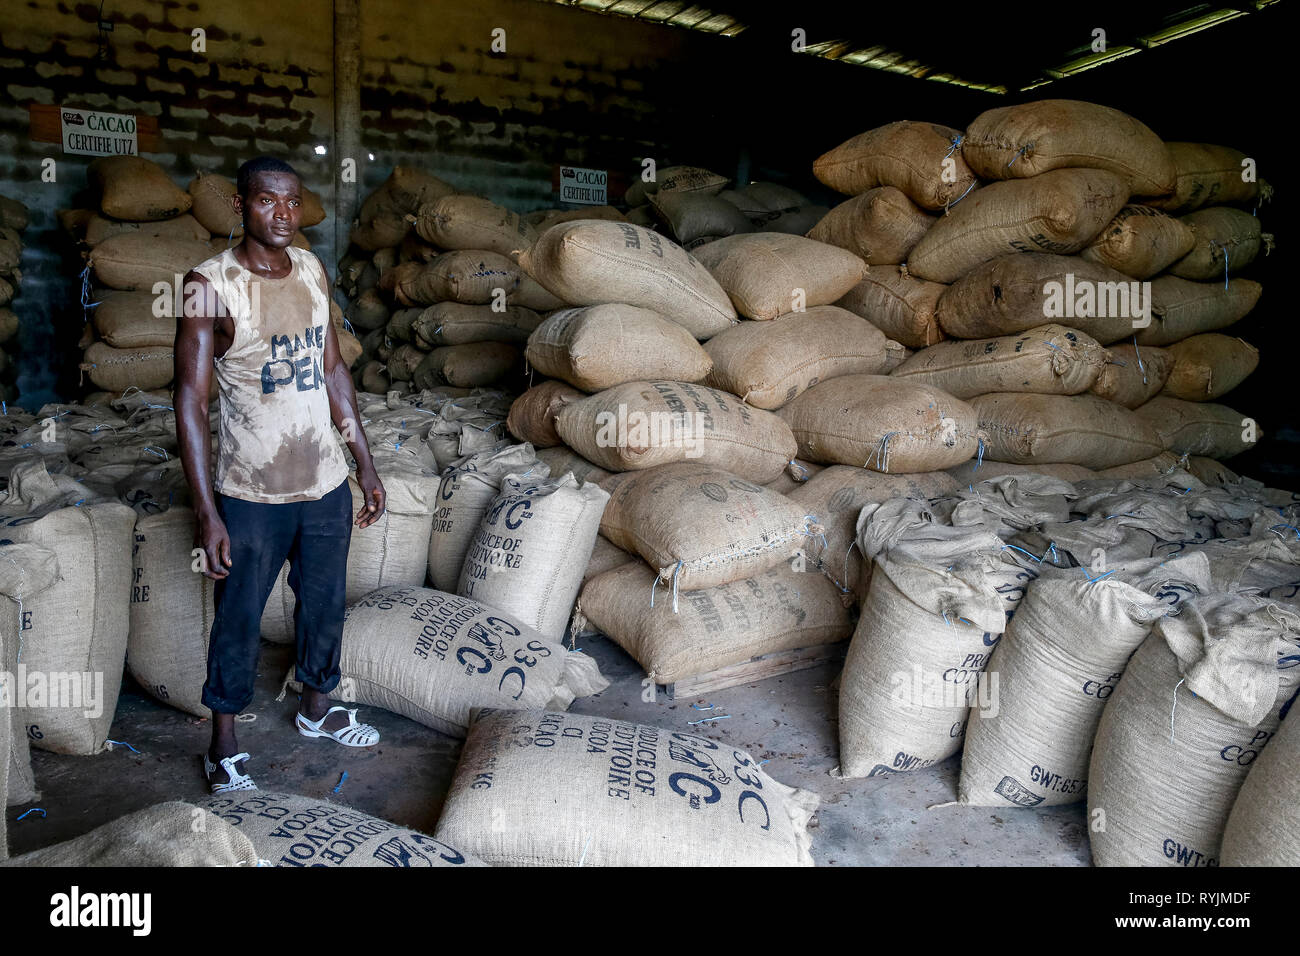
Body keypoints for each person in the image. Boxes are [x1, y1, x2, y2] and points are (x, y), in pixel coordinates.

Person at [174, 155, 386, 793]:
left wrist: (364, 464)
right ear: (240, 206)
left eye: (293, 202)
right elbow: (190, 399)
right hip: (252, 491)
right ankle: (224, 744)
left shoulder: (313, 270)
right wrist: (208, 512)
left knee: (324, 608)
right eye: (268, 201)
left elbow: (334, 374)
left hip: (323, 482)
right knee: (238, 618)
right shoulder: (208, 283)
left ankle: (317, 710)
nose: (283, 215)